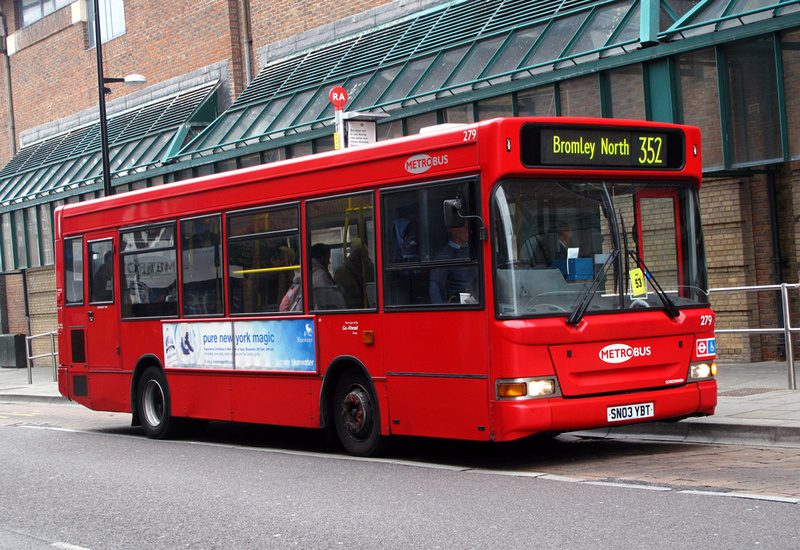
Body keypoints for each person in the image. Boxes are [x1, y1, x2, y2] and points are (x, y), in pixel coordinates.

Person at [429, 223, 477, 304]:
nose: (470, 231)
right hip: (457, 303)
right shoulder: (444, 255)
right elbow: (435, 285)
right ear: (453, 230)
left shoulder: (474, 250)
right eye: (466, 228)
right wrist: (439, 311)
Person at [334, 238, 375, 308]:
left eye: (364, 254)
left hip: (372, 308)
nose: (362, 257)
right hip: (352, 311)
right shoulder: (342, 272)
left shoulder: (372, 269)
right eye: (358, 254)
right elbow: (339, 298)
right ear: (352, 256)